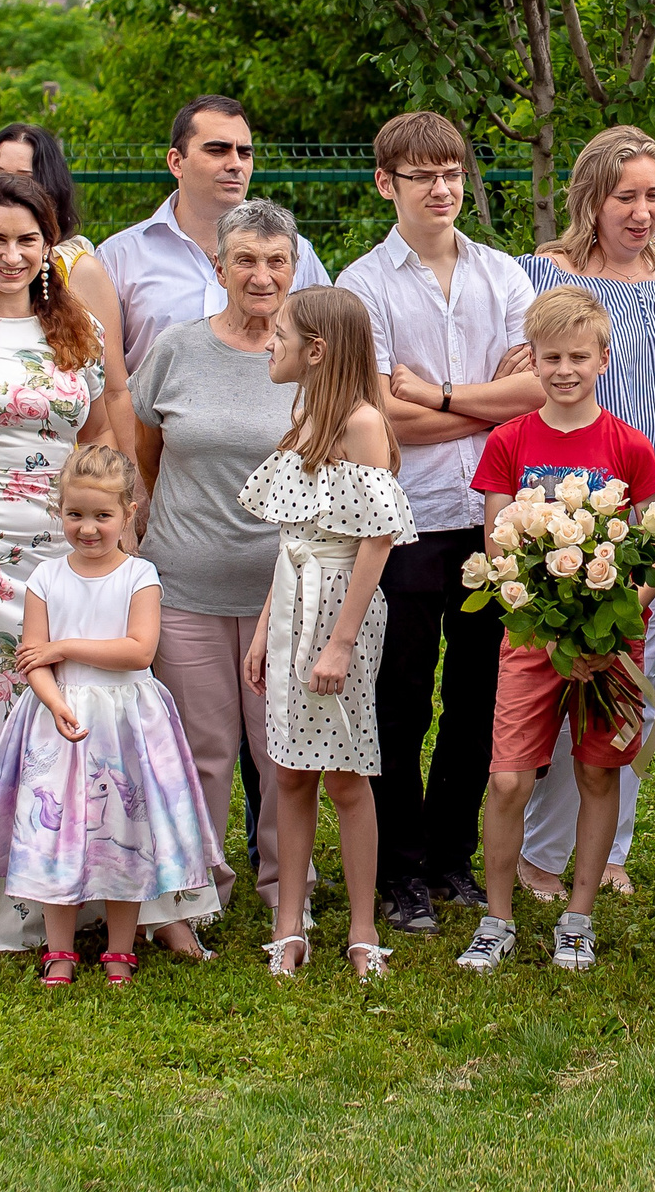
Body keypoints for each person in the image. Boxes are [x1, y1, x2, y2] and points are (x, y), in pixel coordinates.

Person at [0, 172, 186, 959]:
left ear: (48, 245)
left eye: (28, 239)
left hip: (65, 552)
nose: (12, 254)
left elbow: (97, 446)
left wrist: (120, 533)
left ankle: (76, 891)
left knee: (74, 716)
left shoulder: (78, 330)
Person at [336, 112, 545, 937]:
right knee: (401, 699)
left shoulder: (506, 278)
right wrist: (477, 410)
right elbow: (378, 412)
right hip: (406, 519)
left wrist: (439, 397)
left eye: (453, 171)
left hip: (493, 520)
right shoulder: (363, 286)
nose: (442, 188)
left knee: (479, 697)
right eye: (423, 175)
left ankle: (454, 855)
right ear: (387, 183)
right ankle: (401, 869)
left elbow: (535, 394)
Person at [456, 286, 655, 977]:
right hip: (533, 637)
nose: (565, 370)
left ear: (603, 359)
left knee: (596, 774)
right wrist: (553, 637)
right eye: (550, 358)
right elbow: (496, 549)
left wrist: (618, 615)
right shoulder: (509, 441)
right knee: (510, 778)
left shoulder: (629, 446)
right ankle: (497, 919)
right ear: (534, 362)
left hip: (611, 643)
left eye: (578, 356)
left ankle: (578, 918)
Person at [0, 445, 223, 984]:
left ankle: (120, 948)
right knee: (60, 835)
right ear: (60, 512)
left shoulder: (140, 575)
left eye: (102, 516)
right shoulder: (46, 579)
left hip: (127, 723)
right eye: (74, 515)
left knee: (124, 831)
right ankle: (58, 948)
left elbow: (139, 651)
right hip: (62, 725)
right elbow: (34, 658)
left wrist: (66, 648)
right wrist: (55, 702)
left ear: (129, 513)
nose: (87, 528)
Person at [517, 124, 655, 898]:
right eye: (626, 195)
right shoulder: (543, 274)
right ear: (591, 197)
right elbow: (520, 372)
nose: (642, 211)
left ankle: (609, 846)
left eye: (654, 195)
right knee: (559, 680)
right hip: (570, 508)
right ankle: (538, 852)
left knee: (633, 680)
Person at [132, 198, 307, 914]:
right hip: (186, 587)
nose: (261, 276)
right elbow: (147, 457)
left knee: (281, 755)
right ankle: (195, 889)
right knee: (199, 752)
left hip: (286, 593)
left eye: (276, 261)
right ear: (219, 265)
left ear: (293, 269)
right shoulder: (175, 349)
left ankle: (283, 889)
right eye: (246, 260)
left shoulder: (312, 359)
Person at [238, 286, 418, 981]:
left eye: (279, 335)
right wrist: (262, 632)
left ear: (316, 349)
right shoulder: (306, 413)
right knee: (289, 767)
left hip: (340, 608)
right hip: (292, 602)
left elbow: (375, 540)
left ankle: (364, 928)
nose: (268, 345)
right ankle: (290, 924)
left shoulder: (362, 423)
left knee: (344, 771)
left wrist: (340, 642)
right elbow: (293, 541)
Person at [0, 124, 130, 550]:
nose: (11, 255)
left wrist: (116, 508)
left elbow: (105, 415)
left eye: (23, 180)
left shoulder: (80, 317)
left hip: (63, 528)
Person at [101, 93, 331, 385]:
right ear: (176, 162)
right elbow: (106, 387)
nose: (235, 163)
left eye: (244, 153)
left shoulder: (298, 253)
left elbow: (329, 356)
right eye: (218, 150)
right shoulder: (120, 258)